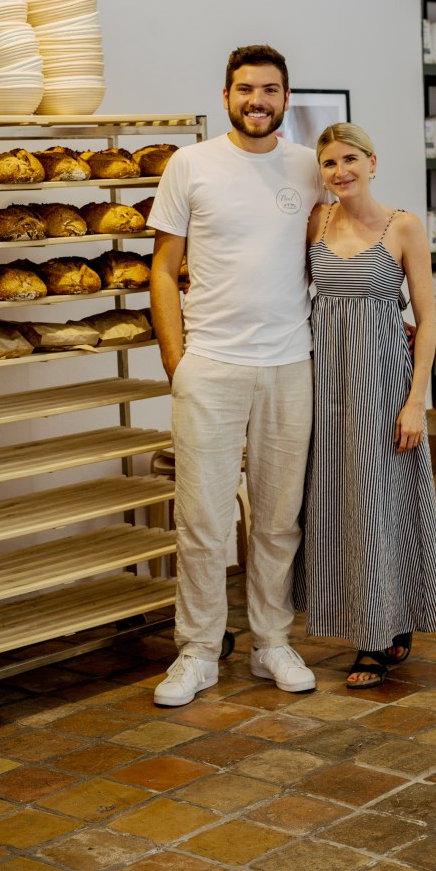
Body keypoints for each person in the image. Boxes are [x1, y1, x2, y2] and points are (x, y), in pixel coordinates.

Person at [148, 43, 322, 707]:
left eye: (271, 90)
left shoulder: (309, 167)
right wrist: (177, 360)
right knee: (202, 519)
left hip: (288, 364)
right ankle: (197, 651)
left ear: (285, 98)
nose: (258, 100)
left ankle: (272, 642)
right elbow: (163, 270)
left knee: (279, 518)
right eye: (246, 89)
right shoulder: (190, 164)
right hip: (211, 367)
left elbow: (330, 255)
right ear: (226, 96)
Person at [294, 121, 436, 689]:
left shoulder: (403, 226)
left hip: (386, 384)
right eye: (330, 163)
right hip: (326, 384)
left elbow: (428, 320)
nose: (342, 171)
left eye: (351, 159)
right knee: (339, 504)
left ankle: (377, 636)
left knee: (385, 503)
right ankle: (375, 621)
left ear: (373, 162)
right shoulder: (315, 222)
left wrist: (416, 403)